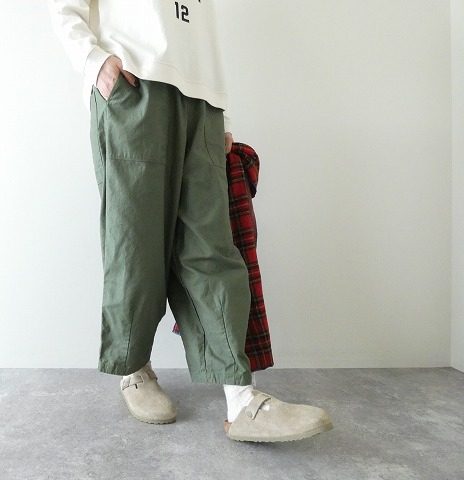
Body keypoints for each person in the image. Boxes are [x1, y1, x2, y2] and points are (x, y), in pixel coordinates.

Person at [48, 0, 333, 442]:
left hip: (202, 100)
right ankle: (134, 369)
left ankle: (241, 399)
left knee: (213, 247)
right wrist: (94, 61)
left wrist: (221, 110)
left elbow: (198, 31)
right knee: (136, 242)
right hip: (134, 83)